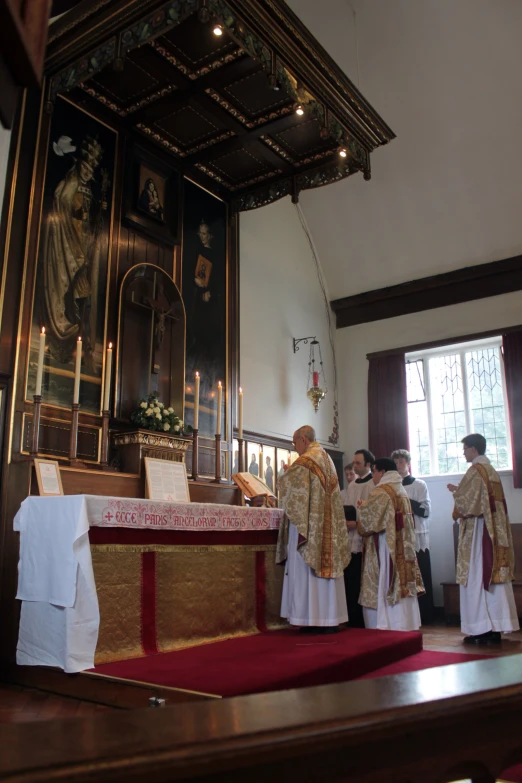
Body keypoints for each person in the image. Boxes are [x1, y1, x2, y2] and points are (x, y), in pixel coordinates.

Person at [276, 425, 350, 632]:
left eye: (295, 442)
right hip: (328, 527)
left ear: (304, 440)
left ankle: (310, 619)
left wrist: (286, 475)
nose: (295, 447)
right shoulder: (327, 459)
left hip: (309, 528)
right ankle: (329, 618)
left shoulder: (306, 461)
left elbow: (292, 490)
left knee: (306, 569)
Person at [447, 433, 519, 644]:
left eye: (465, 448)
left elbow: (469, 504)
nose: (463, 452)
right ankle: (494, 627)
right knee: (491, 579)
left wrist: (457, 495)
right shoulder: (491, 471)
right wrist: (460, 490)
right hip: (494, 532)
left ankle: (482, 628)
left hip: (479, 533)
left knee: (477, 577)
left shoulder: (475, 471)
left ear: (474, 450)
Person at [357, 457, 423, 631]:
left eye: (374, 472)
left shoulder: (380, 492)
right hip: (402, 545)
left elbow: (369, 523)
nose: (373, 477)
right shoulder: (400, 489)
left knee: (386, 580)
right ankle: (404, 623)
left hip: (387, 547)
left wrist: (362, 508)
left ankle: (386, 623)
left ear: (382, 472)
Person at [391, 449, 434, 625]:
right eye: (396, 462)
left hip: (417, 538)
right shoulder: (391, 486)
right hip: (399, 536)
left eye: (401, 461)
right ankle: (405, 615)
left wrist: (406, 502)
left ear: (408, 464)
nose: (398, 465)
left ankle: (425, 615)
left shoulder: (419, 485)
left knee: (421, 574)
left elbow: (426, 510)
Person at [341, 449, 375, 628]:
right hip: (351, 537)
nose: (354, 466)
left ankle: (367, 619)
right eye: (353, 463)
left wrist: (358, 524)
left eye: (358, 463)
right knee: (352, 578)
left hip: (366, 537)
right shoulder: (353, 486)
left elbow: (374, 511)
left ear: (368, 465)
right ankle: (352, 617)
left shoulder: (374, 484)